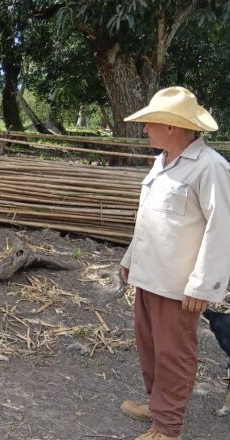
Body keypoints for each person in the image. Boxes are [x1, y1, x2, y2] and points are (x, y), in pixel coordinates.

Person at [119, 86, 230, 440]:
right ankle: (157, 405)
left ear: (171, 126)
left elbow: (221, 228)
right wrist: (129, 257)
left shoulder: (210, 167)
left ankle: (167, 429)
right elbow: (149, 218)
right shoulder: (162, 162)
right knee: (150, 347)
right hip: (149, 275)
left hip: (178, 284)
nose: (145, 128)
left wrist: (203, 284)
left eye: (150, 122)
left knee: (174, 354)